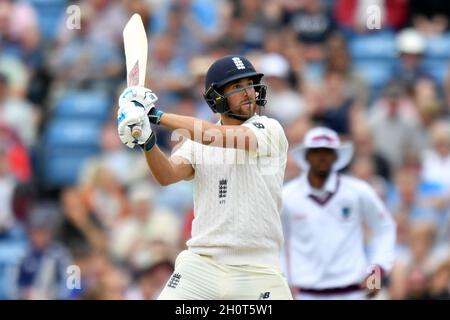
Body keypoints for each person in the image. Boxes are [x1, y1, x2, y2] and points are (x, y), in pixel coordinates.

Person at [116, 55, 292, 300]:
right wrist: (147, 141)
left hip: (258, 267)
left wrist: (154, 115)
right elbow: (167, 175)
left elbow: (215, 136)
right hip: (202, 264)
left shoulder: (269, 129)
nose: (248, 93)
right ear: (217, 97)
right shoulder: (196, 141)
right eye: (237, 87)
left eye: (250, 85)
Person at [281, 127, 396, 300]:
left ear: (336, 156)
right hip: (304, 293)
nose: (322, 157)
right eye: (316, 151)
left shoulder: (357, 191)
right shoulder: (287, 196)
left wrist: (377, 269)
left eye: (327, 152)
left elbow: (385, 228)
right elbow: (277, 243)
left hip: (354, 292)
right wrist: (283, 280)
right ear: (306, 156)